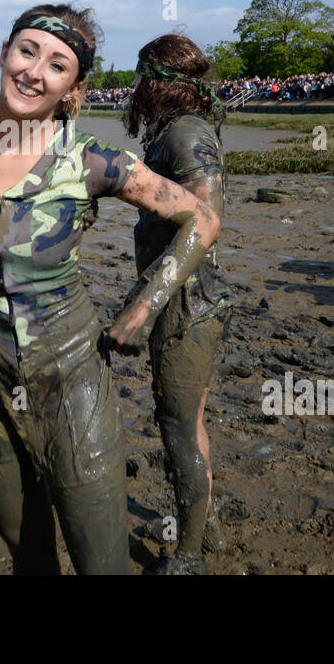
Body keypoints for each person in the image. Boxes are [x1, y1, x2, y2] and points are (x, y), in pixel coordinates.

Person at [0, 4, 220, 574]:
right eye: (26, 51)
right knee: (27, 552)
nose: (35, 71)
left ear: (74, 88)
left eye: (57, 65)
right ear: (5, 54)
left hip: (71, 375)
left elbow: (202, 219)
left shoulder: (91, 162)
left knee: (99, 556)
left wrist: (144, 308)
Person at [123, 34, 233, 574]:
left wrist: (145, 304)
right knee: (188, 422)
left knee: (177, 428)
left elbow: (206, 224)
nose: (135, 88)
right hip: (183, 300)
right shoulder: (174, 131)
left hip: (188, 307)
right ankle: (204, 523)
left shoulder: (188, 135)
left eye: (142, 77)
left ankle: (189, 557)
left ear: (159, 81)